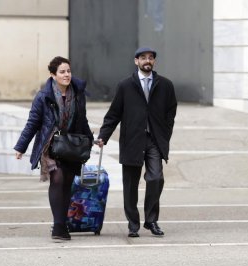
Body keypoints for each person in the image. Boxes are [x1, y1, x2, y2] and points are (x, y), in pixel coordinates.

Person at [97, 47, 177, 237]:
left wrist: (165, 135)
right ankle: (133, 224)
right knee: (130, 185)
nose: (147, 61)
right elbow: (114, 114)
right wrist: (103, 136)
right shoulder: (125, 85)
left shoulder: (165, 85)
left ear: (154, 62)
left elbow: (170, 113)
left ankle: (151, 220)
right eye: (143, 58)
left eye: (150, 58)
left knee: (156, 178)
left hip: (154, 141)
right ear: (136, 61)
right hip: (132, 141)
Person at [14, 56, 93, 241]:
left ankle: (62, 221)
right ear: (53, 75)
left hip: (71, 145)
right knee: (57, 179)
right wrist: (21, 147)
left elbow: (83, 120)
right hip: (50, 144)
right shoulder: (44, 96)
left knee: (66, 183)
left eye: (68, 71)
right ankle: (58, 227)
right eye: (62, 72)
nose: (67, 75)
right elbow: (32, 123)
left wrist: (90, 139)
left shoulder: (78, 93)